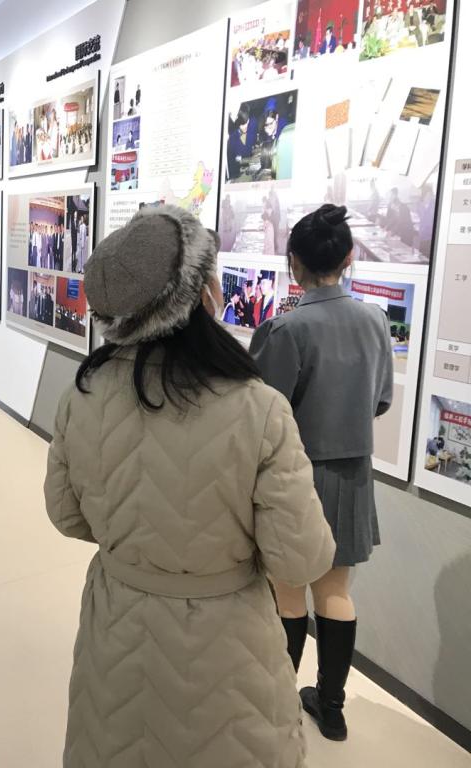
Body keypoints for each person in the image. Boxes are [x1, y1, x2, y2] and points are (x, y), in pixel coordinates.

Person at [45, 205, 335, 767]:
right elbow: (301, 558)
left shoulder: (82, 394)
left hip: (117, 628)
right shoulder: (258, 407)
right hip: (227, 647)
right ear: (200, 295)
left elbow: (66, 514)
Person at [251, 204, 394, 742]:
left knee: (288, 595)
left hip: (296, 476)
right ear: (349, 257)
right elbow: (381, 400)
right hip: (354, 477)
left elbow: (263, 414)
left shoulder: (284, 328)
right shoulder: (375, 321)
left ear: (294, 262)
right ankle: (331, 708)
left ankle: (278, 702)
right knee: (336, 594)